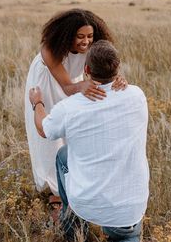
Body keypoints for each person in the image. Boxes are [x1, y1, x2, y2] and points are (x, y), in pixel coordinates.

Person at [29, 40, 149, 242]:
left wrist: (37, 102)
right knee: (125, 234)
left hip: (87, 203)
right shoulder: (137, 95)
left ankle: (75, 228)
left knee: (62, 156)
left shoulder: (70, 107)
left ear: (86, 69)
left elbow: (43, 129)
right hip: (130, 206)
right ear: (117, 68)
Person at [25, 9, 126, 197]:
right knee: (49, 135)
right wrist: (81, 86)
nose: (86, 42)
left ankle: (73, 178)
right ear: (67, 35)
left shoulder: (93, 45)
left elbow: (102, 68)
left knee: (73, 130)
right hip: (47, 84)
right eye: (80, 36)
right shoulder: (50, 49)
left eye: (90, 36)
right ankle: (53, 190)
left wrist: (116, 80)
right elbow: (66, 86)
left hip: (74, 82)